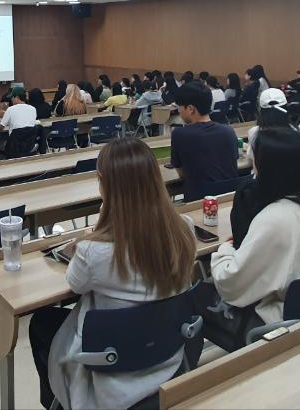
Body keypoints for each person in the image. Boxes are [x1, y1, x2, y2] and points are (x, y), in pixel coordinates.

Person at [29, 137, 196, 410]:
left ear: (104, 184)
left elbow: (75, 284)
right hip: (167, 360)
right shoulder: (184, 230)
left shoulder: (93, 252)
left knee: (41, 322)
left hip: (112, 373)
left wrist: (99, 226)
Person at [203, 128, 300, 351]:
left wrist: (225, 251)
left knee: (198, 296)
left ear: (265, 169)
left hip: (286, 324)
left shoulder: (273, 218)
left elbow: (232, 285)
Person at [171, 83, 239, 200]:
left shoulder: (179, 134)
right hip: (229, 198)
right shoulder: (228, 131)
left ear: (190, 109)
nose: (179, 111)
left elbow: (181, 172)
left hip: (198, 200)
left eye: (179, 107)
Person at [245, 88, 300, 163]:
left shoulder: (254, 133)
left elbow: (253, 160)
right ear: (286, 107)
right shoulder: (298, 131)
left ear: (261, 111)